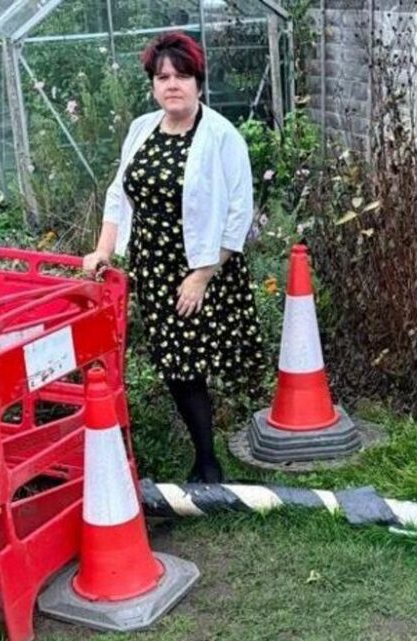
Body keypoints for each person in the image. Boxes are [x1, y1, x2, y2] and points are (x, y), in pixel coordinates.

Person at [82, 32, 265, 484]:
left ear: (198, 81)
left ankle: (208, 462)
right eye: (163, 77)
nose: (172, 85)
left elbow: (239, 211)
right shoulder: (142, 129)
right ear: (152, 85)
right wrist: (104, 249)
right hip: (154, 269)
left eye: (182, 75)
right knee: (176, 365)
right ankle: (206, 455)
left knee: (193, 363)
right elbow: (117, 194)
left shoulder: (221, 136)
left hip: (202, 267)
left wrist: (202, 275)